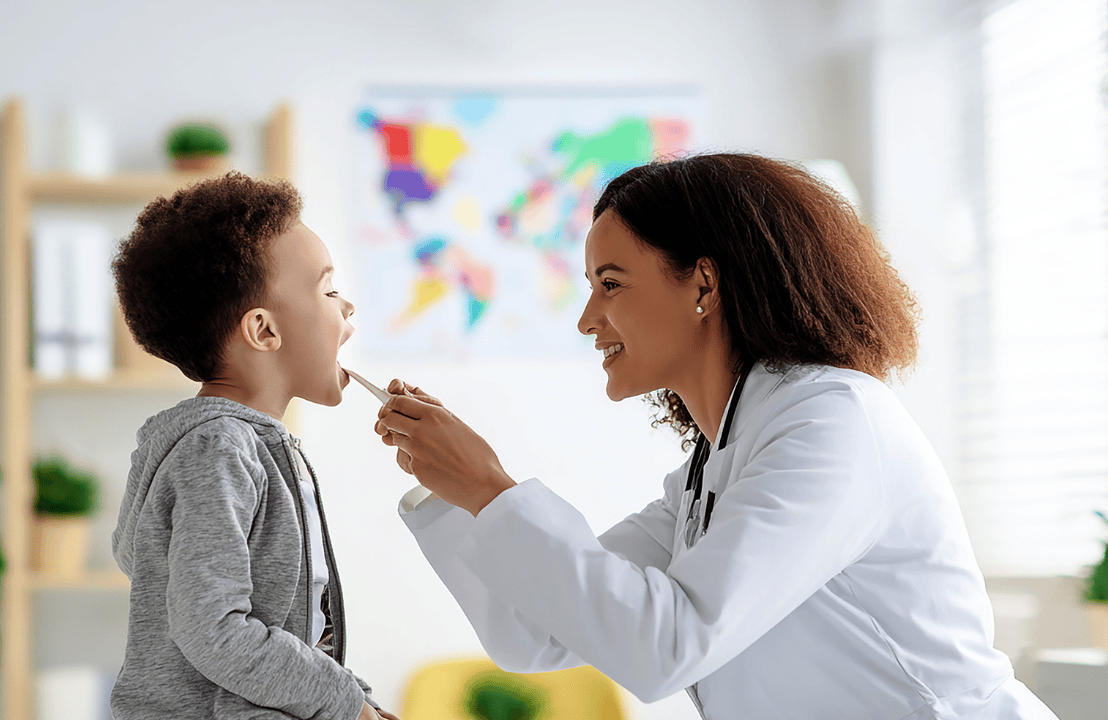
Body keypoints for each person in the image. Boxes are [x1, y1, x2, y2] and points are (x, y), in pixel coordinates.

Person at [373, 154, 1059, 719]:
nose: (587, 319)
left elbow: (667, 645)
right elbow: (536, 635)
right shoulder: (714, 467)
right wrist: (454, 492)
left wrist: (491, 488)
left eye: (610, 284)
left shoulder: (835, 425)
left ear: (703, 283)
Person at [110, 173, 396, 720]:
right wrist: (345, 705)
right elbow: (213, 628)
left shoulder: (244, 447)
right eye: (329, 289)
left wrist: (358, 701)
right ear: (264, 331)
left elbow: (297, 625)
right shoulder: (218, 450)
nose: (348, 307)